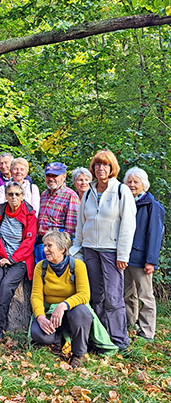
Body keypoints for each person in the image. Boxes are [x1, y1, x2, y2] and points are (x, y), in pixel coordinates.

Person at [73, 150, 136, 350]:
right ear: (93, 168)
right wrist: (78, 249)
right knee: (95, 295)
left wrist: (123, 254)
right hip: (90, 250)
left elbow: (128, 224)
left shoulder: (121, 191)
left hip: (111, 251)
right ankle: (101, 337)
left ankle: (119, 340)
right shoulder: (89, 192)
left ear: (112, 168)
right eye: (98, 165)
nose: (101, 168)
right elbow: (81, 224)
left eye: (105, 165)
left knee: (113, 296)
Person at [29, 231, 95, 369]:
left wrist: (63, 305)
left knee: (81, 312)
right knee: (37, 332)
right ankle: (58, 340)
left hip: (72, 312)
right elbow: (36, 296)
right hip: (51, 315)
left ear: (62, 249)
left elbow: (84, 294)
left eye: (49, 245)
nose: (45, 249)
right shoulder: (41, 267)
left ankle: (79, 354)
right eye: (44, 245)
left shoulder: (77, 265)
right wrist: (41, 317)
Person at [0, 181, 37, 340]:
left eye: (17, 194)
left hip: (20, 260)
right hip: (0, 257)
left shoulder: (29, 215)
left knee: (5, 287)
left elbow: (29, 243)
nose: (13, 197)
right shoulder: (0, 210)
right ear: (6, 196)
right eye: (10, 194)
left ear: (22, 196)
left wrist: (12, 259)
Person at [123, 167, 165, 341]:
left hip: (142, 260)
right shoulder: (125, 202)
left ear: (144, 185)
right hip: (125, 258)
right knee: (127, 294)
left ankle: (147, 332)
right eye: (129, 181)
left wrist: (151, 261)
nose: (132, 185)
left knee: (145, 296)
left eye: (136, 182)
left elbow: (155, 235)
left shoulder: (152, 206)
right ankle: (129, 323)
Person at [36, 162, 80, 262]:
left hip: (56, 247)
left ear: (64, 177)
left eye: (55, 175)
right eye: (48, 175)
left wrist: (60, 251)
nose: (51, 178)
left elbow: (70, 231)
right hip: (40, 244)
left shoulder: (70, 196)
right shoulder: (44, 194)